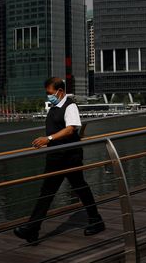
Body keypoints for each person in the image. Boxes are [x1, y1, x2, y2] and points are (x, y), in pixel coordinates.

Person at [13, 77, 105, 243]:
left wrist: (48, 139)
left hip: (70, 155)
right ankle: (32, 229)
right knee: (48, 191)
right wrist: (49, 142)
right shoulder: (55, 107)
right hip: (55, 155)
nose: (48, 96)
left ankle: (96, 220)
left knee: (79, 187)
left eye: (50, 93)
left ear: (60, 91)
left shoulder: (70, 106)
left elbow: (71, 129)